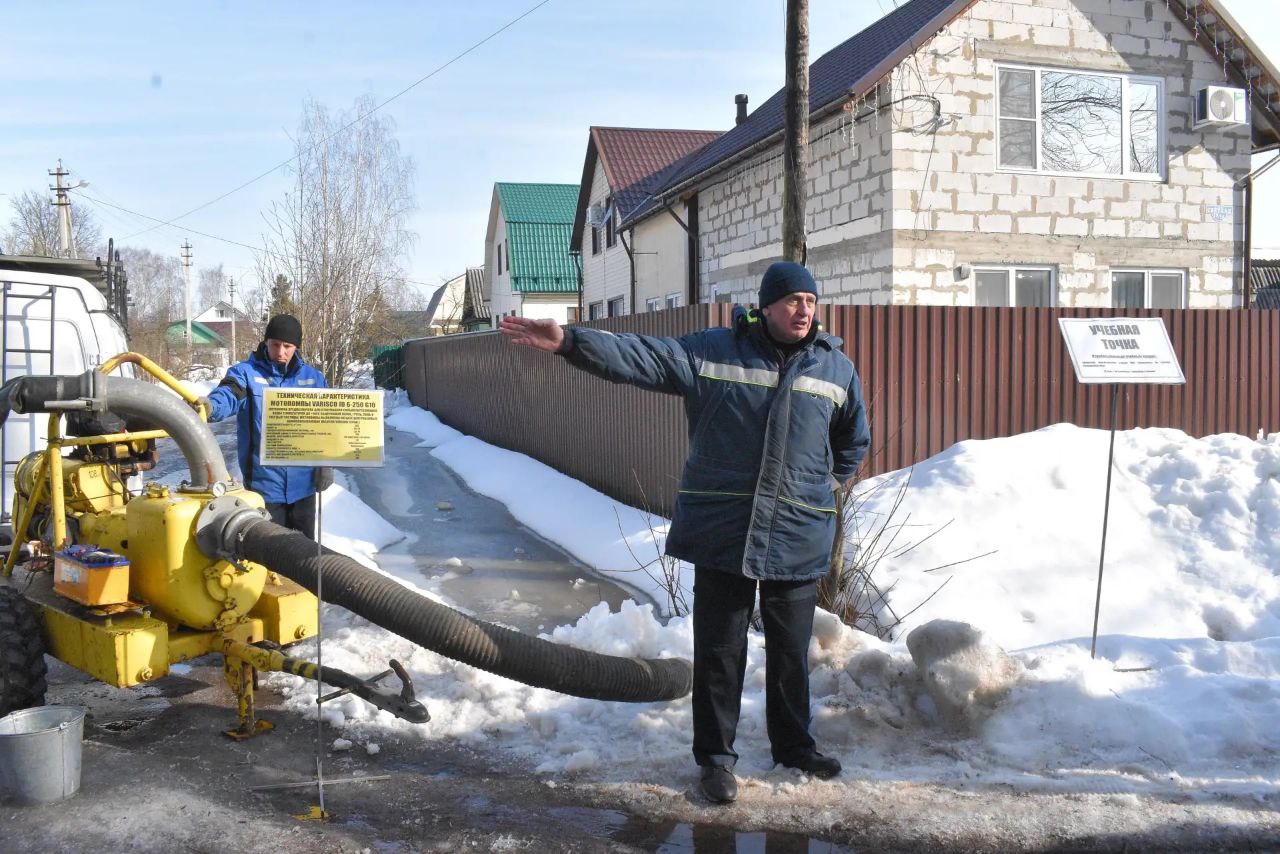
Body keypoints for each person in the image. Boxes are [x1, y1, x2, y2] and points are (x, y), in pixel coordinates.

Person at [500, 261, 870, 804]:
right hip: (724, 530)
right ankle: (716, 759)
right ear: (765, 306)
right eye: (792, 301)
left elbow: (852, 444)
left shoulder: (835, 369)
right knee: (720, 652)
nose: (803, 310)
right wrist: (570, 343)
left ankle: (794, 747)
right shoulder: (714, 351)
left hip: (796, 533)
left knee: (791, 653)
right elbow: (642, 358)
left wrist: (816, 488)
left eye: (810, 302)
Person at [201, 313, 332, 538]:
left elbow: (328, 425)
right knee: (269, 557)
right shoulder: (245, 374)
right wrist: (211, 406)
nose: (280, 353)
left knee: (303, 558)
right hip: (264, 489)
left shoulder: (314, 378)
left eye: (287, 346)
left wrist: (326, 464)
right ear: (265, 342)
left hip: (305, 488)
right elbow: (229, 394)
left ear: (296, 347)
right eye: (275, 345)